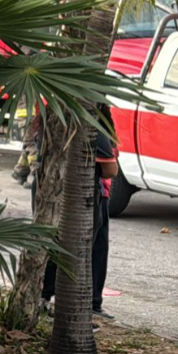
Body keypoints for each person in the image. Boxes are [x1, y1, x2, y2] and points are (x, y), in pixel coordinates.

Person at [40, 111, 119, 322]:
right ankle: (80, 307)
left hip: (52, 190)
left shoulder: (52, 120)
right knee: (85, 250)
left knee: (68, 246)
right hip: (86, 196)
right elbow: (110, 170)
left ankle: (50, 299)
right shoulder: (92, 127)